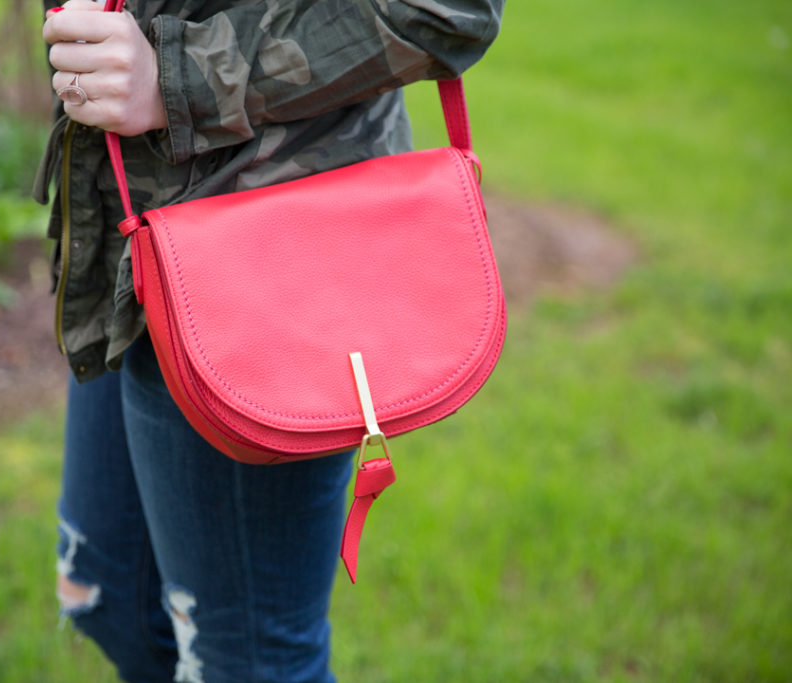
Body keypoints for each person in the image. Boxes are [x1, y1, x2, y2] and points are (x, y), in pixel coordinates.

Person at [34, 1, 503, 680]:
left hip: (269, 258)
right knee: (109, 596)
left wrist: (178, 80)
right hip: (127, 234)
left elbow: (450, 10)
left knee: (249, 661)